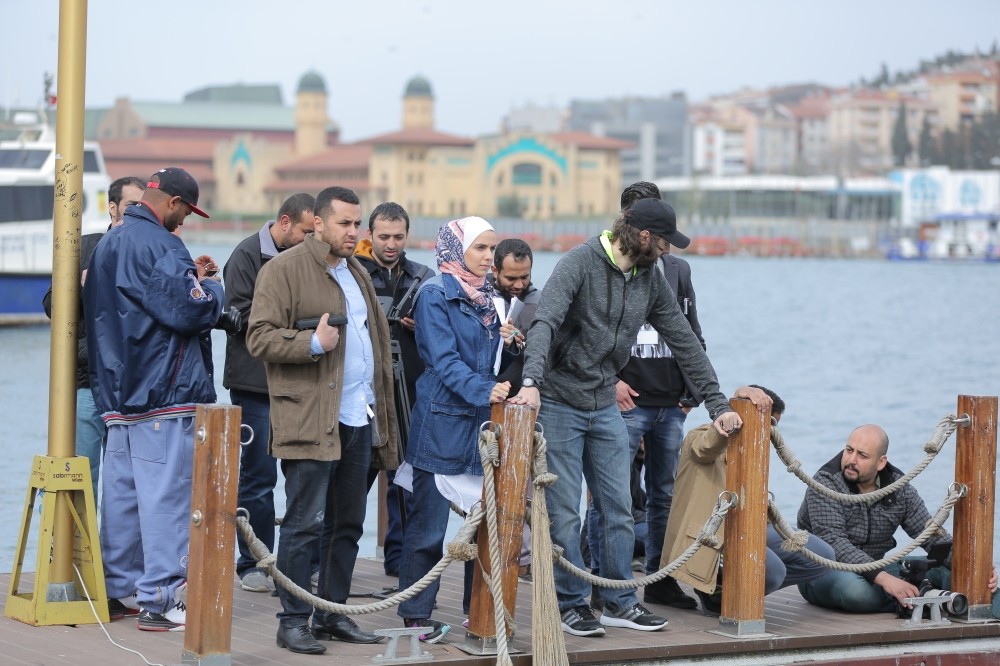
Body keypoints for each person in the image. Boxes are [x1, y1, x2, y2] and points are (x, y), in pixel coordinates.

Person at [509, 198, 741, 638]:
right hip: (557, 399)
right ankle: (572, 604)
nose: (670, 251)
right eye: (666, 242)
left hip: (602, 401)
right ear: (645, 237)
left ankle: (619, 601)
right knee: (563, 512)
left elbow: (685, 341)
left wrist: (718, 404)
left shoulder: (649, 277)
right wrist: (532, 382)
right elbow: (545, 324)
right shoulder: (579, 262)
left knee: (617, 506)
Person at [246, 186, 398, 656]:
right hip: (309, 417)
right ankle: (292, 621)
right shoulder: (282, 270)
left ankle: (333, 614)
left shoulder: (357, 272)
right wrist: (312, 342)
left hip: (358, 415)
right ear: (318, 224)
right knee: (303, 524)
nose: (354, 233)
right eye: (344, 224)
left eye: (357, 224)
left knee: (347, 523)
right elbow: (259, 338)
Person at [83, 167, 221, 632]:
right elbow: (188, 310)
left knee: (121, 497)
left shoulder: (110, 242)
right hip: (163, 390)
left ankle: (117, 588)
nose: (183, 222)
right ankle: (161, 599)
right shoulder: (162, 244)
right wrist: (212, 288)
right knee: (166, 499)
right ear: (175, 203)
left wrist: (188, 278)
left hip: (118, 392)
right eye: (184, 212)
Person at [396, 217, 518, 643]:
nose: (489, 257)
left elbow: (491, 361)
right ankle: (415, 613)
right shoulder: (434, 294)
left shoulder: (490, 298)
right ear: (457, 249)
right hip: (442, 422)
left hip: (482, 425)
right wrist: (488, 390)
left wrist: (512, 346)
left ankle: (478, 610)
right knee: (428, 527)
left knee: (482, 525)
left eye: (491, 249)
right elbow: (443, 361)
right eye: (481, 249)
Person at [589, 181, 704, 611]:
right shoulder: (601, 265)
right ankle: (599, 579)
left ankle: (660, 577)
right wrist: (611, 383)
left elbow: (692, 333)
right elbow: (589, 334)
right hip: (625, 401)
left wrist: (693, 390)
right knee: (610, 493)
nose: (654, 238)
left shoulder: (678, 271)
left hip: (670, 403)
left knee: (664, 496)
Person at [661, 385, 834, 616]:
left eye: (773, 425)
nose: (769, 430)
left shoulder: (756, 449)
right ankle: (720, 592)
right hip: (712, 532)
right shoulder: (699, 436)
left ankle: (731, 590)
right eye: (766, 422)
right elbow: (706, 448)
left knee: (822, 556)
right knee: (772, 572)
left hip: (749, 525)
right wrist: (732, 411)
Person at [797, 424, 1000, 617]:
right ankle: (923, 598)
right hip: (824, 571)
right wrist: (886, 579)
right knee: (854, 591)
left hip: (877, 568)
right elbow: (835, 544)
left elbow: (930, 535)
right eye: (849, 450)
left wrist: (974, 565)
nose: (851, 459)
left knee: (956, 573)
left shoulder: (898, 488)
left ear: (881, 462)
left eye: (862, 455)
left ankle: (932, 597)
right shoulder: (824, 484)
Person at [222, 192, 316, 593]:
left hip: (298, 384)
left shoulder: (310, 257)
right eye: (307, 231)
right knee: (258, 479)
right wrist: (297, 331)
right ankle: (254, 562)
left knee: (303, 475)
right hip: (255, 384)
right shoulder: (245, 255)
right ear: (284, 223)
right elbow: (239, 315)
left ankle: (295, 561)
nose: (312, 239)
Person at [42, 176, 145, 509]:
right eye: (131, 206)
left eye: (143, 207)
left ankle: (113, 560)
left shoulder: (149, 250)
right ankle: (73, 557)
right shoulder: (85, 246)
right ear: (112, 208)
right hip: (87, 382)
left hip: (132, 388)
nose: (137, 214)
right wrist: (81, 285)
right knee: (80, 478)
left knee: (127, 488)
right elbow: (51, 307)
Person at [354, 201, 433, 578]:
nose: (391, 244)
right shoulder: (353, 274)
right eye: (383, 236)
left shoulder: (421, 278)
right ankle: (332, 562)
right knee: (356, 478)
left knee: (406, 480)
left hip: (411, 390)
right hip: (365, 393)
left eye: (398, 236)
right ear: (369, 235)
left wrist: (423, 327)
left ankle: (400, 560)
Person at [488, 237, 539, 580]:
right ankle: (499, 554)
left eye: (524, 277)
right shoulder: (479, 300)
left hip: (527, 403)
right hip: (488, 402)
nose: (519, 285)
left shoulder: (540, 302)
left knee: (530, 483)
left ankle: (527, 558)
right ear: (495, 271)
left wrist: (521, 343)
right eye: (511, 279)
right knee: (488, 486)